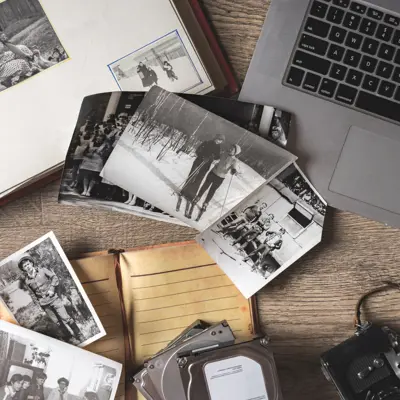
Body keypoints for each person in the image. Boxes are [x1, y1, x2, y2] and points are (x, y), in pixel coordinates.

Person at [18, 253, 84, 342]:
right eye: (25, 266)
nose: (27, 266)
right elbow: (33, 295)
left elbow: (54, 277)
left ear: (31, 263)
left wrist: (52, 288)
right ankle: (70, 337)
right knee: (57, 322)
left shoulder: (42, 270)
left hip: (54, 299)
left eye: (28, 264)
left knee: (66, 318)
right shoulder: (27, 281)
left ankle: (79, 335)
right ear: (24, 269)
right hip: (45, 304)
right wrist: (39, 305)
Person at [176, 134, 224, 216]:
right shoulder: (207, 143)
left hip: (206, 165)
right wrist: (202, 156)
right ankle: (184, 191)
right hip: (198, 161)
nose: (218, 141)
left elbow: (217, 157)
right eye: (218, 139)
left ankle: (191, 195)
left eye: (220, 140)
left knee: (199, 179)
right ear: (215, 138)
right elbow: (197, 150)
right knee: (192, 176)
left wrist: (213, 157)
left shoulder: (218, 148)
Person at [192, 144, 241, 220]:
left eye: (233, 149)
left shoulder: (235, 160)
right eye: (230, 147)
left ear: (235, 152)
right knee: (205, 186)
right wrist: (211, 155)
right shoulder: (224, 154)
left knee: (212, 191)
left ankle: (205, 203)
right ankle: (198, 197)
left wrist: (234, 170)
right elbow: (216, 157)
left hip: (220, 177)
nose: (230, 149)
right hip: (213, 173)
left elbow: (234, 167)